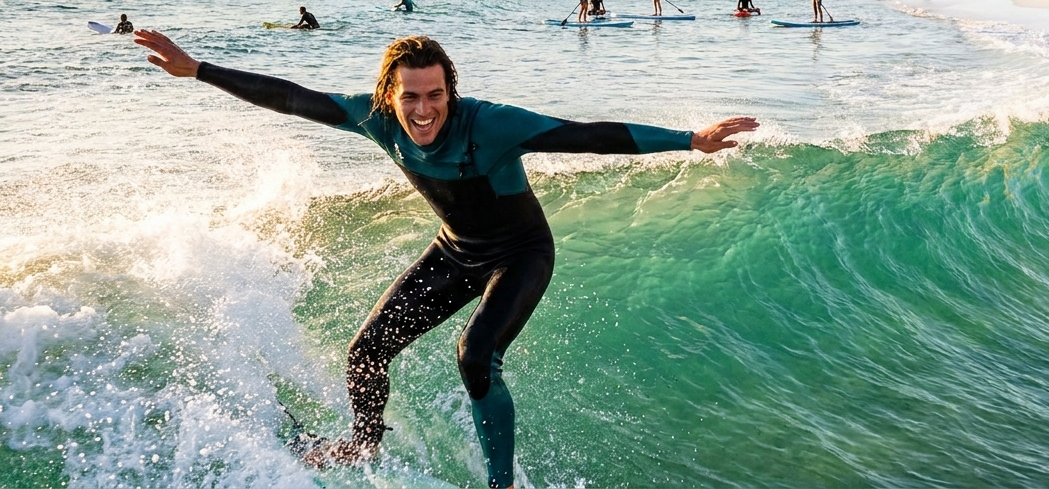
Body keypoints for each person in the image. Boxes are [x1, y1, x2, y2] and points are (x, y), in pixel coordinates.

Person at [131, 30, 759, 488]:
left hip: (521, 253)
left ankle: (501, 485)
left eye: (435, 95)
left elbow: (586, 135)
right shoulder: (373, 119)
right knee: (365, 352)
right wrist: (198, 71)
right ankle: (363, 446)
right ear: (389, 94)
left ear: (450, 93)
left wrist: (689, 140)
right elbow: (291, 96)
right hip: (456, 250)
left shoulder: (492, 124)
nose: (424, 110)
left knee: (475, 357)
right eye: (411, 97)